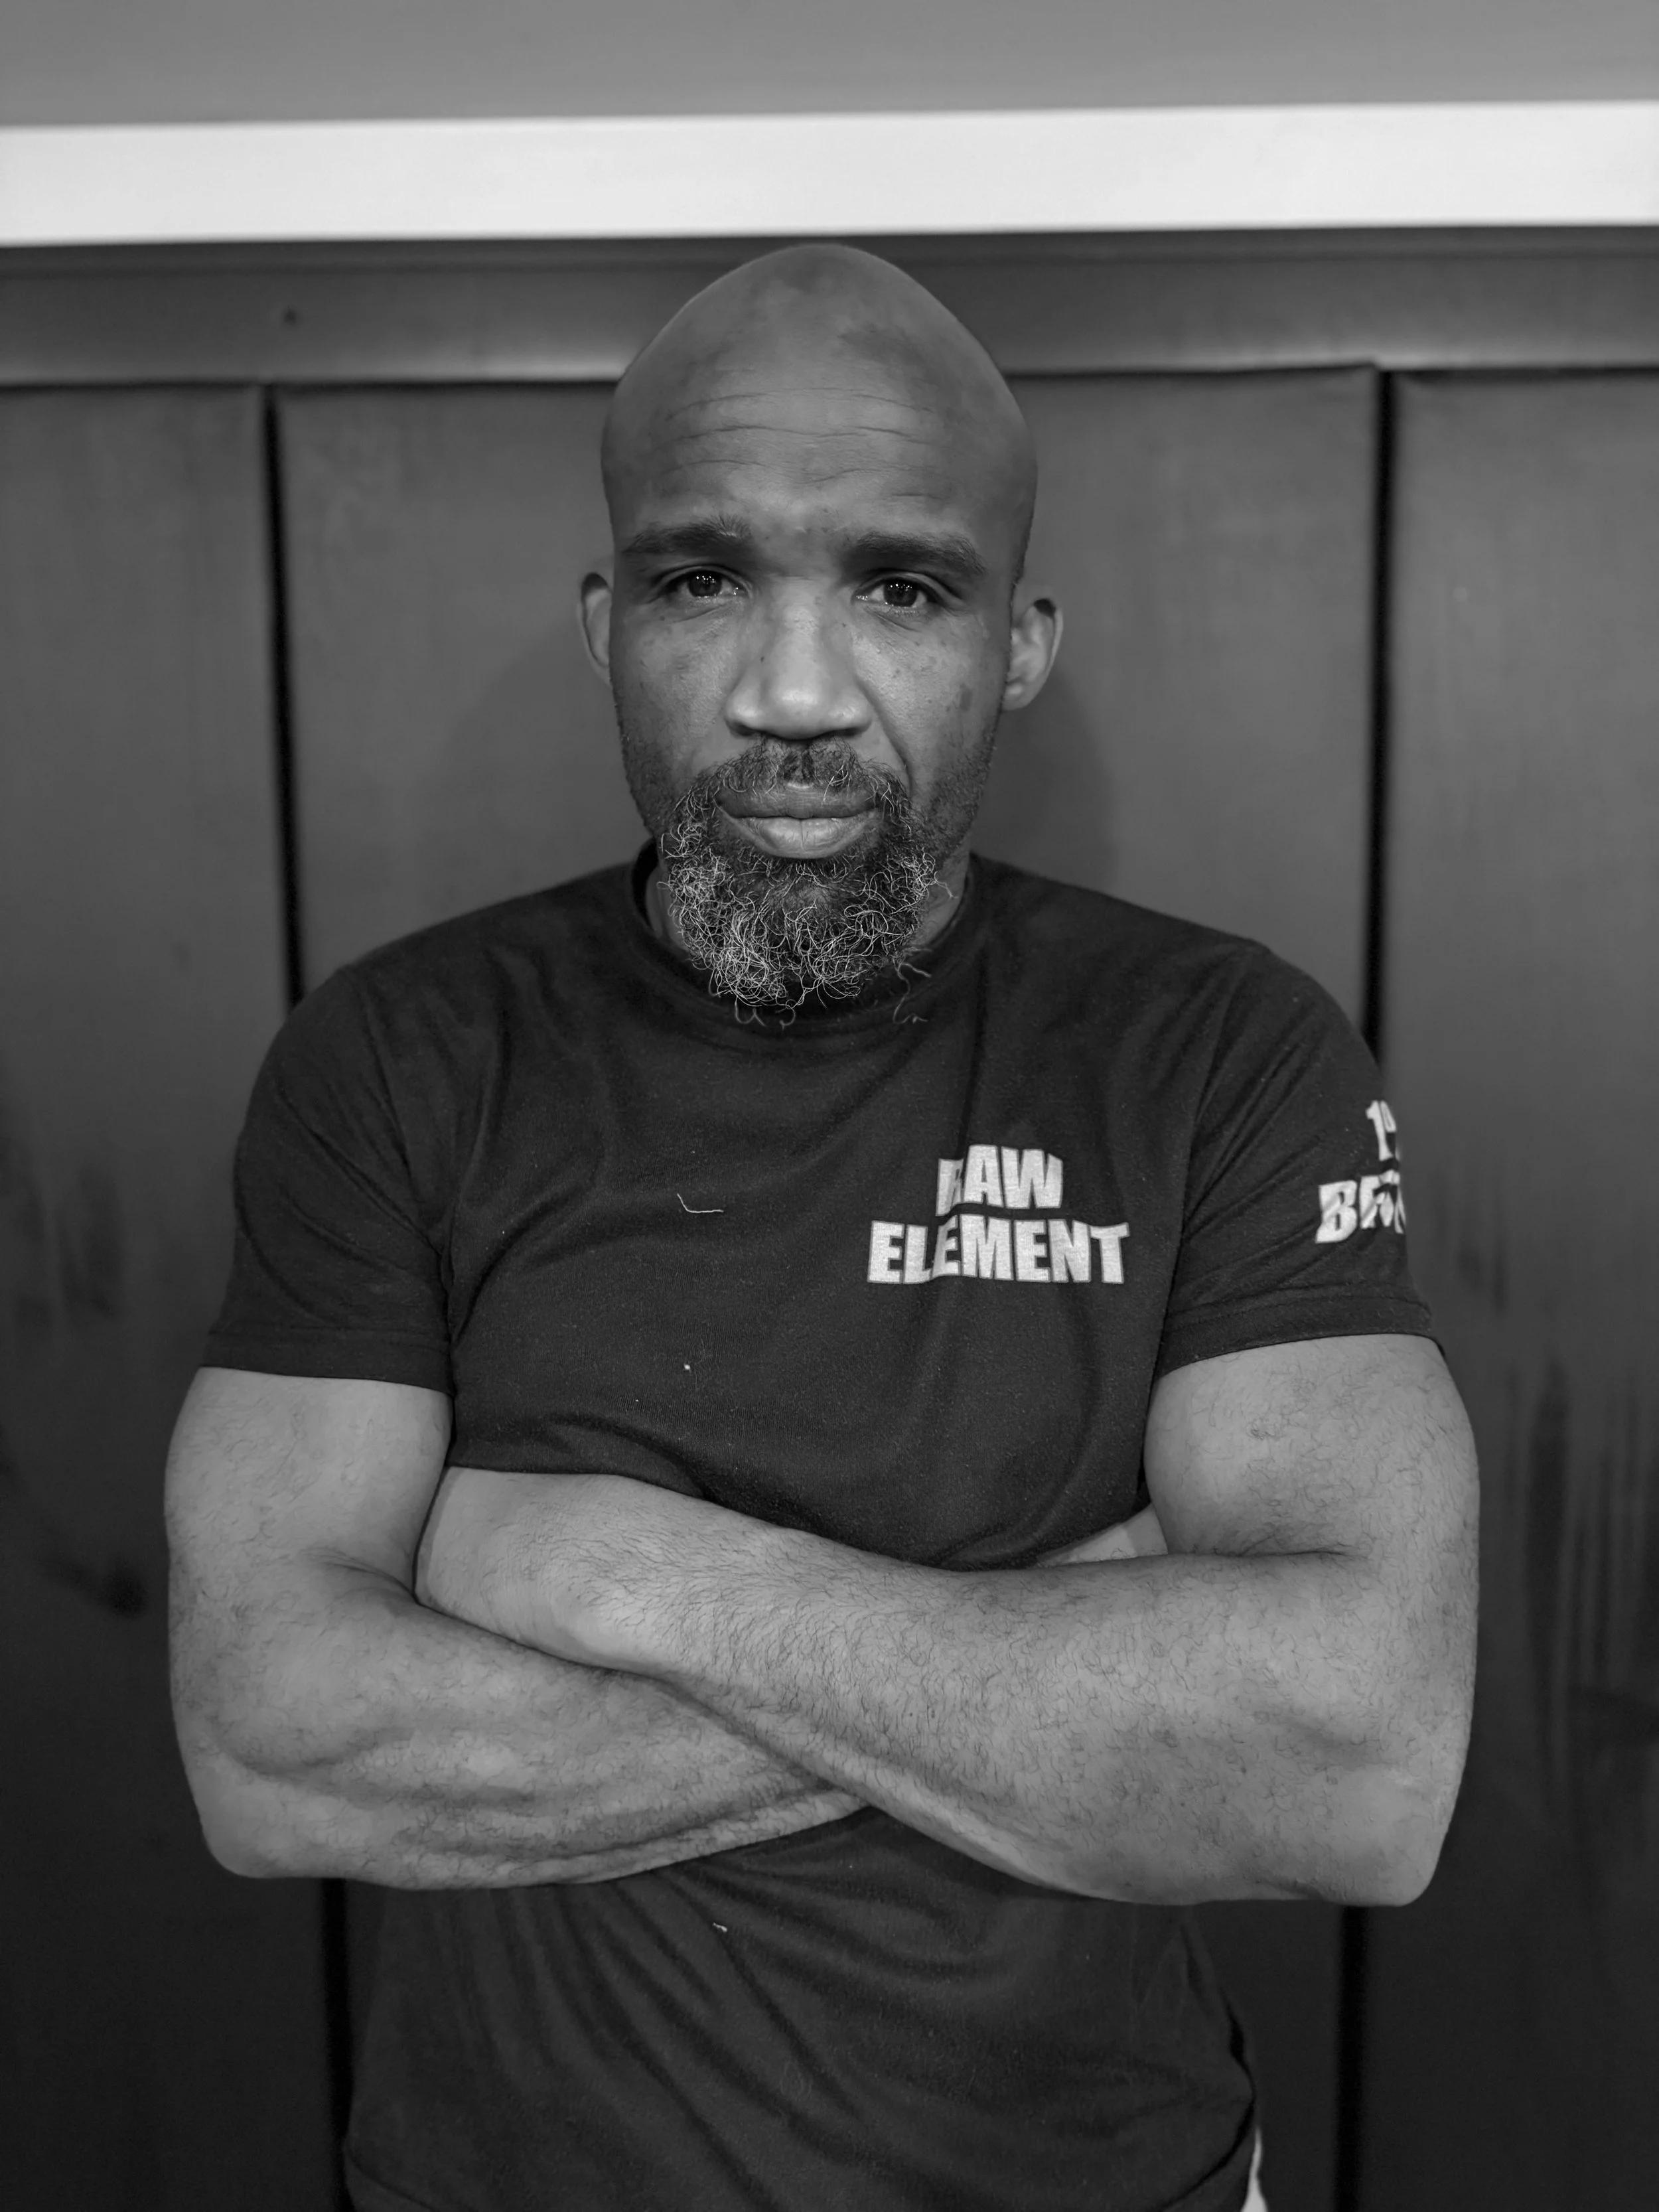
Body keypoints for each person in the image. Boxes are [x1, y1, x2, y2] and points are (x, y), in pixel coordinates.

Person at [165, 244, 1477, 2212]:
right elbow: (274, 1749)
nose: (792, 694)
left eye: (901, 588)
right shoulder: (400, 1056)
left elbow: (1354, 1768)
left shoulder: (1217, 1050)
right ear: (607, 623)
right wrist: (1062, 1635)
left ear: (1017, 642)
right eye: (704, 581)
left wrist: (612, 1571)